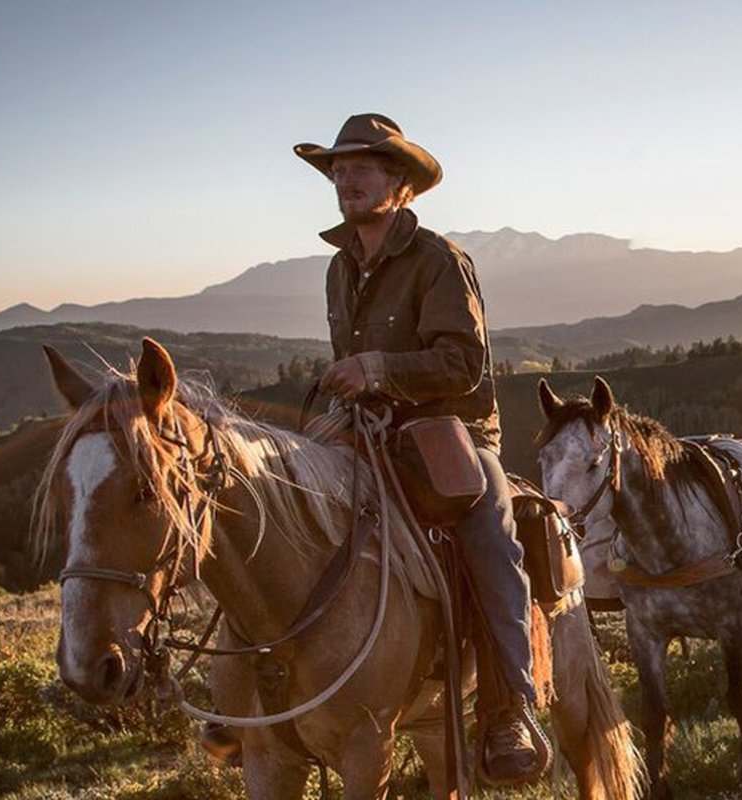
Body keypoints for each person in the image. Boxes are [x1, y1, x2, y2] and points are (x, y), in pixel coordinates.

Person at [296, 113, 544, 783]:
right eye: (338, 170)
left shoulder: (438, 259)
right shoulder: (339, 269)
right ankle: (261, 689)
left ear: (400, 183)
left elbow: (464, 363)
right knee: (276, 502)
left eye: (362, 167)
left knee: (490, 529)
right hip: (366, 430)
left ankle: (506, 709)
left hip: (450, 429)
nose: (345, 178)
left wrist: (377, 369)